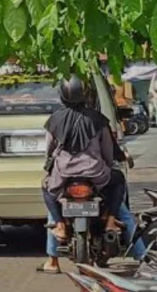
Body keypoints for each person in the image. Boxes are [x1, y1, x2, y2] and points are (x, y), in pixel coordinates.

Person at [42, 75, 126, 242]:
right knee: (119, 179)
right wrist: (108, 165)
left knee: (45, 187)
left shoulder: (54, 120)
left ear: (62, 95)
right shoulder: (98, 119)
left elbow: (49, 150)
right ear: (86, 94)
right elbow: (108, 151)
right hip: (95, 172)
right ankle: (110, 221)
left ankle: (59, 224)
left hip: (63, 173)